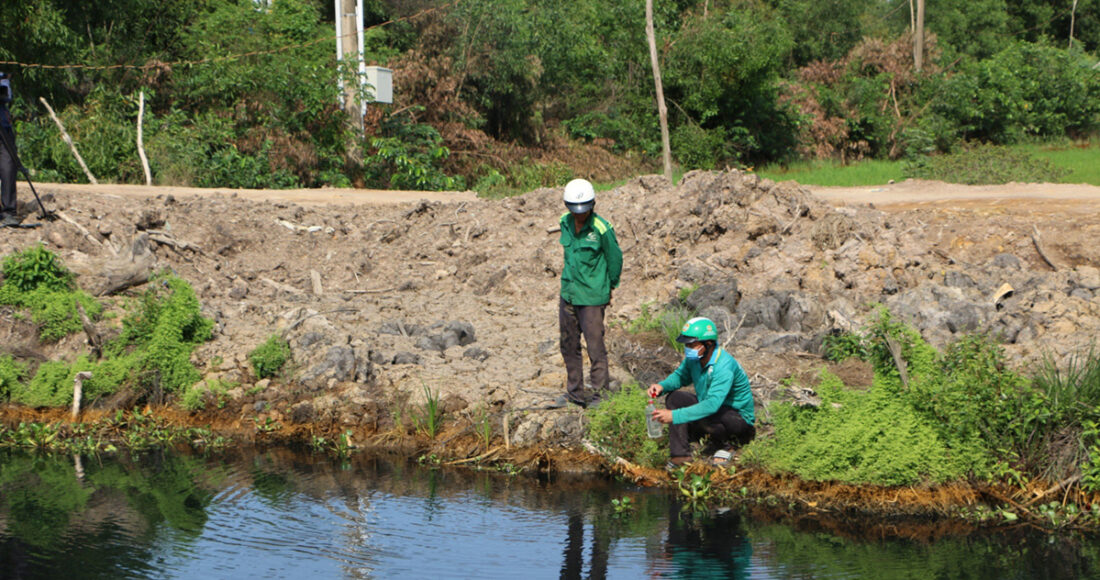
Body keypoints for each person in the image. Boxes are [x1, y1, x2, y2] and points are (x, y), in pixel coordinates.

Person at [551, 178, 623, 408]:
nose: (579, 215)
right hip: (569, 293)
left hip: (592, 296)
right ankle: (574, 393)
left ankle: (600, 394)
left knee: (595, 346)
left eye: (583, 210)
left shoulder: (602, 228)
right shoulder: (565, 222)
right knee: (568, 344)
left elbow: (615, 259)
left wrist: (610, 287)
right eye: (574, 210)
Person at [647, 317, 755, 468]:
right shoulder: (695, 359)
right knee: (675, 398)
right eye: (686, 344)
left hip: (736, 420)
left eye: (692, 344)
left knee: (720, 414)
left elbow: (712, 404)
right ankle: (680, 455)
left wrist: (674, 416)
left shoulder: (723, 366)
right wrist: (662, 386)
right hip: (711, 413)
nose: (688, 348)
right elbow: (680, 377)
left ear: (708, 343)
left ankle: (727, 446)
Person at [0, 72, 19, 227]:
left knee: (8, 168)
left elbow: (6, 95)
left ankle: (9, 211)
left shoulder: (2, 77)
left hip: (3, 130)